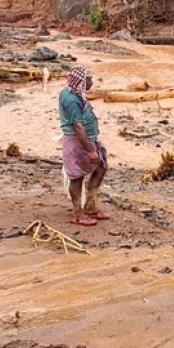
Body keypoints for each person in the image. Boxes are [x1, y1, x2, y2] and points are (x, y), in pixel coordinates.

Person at [60, 66, 109, 227]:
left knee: (101, 167)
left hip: (89, 139)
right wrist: (89, 150)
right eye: (89, 79)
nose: (91, 82)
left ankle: (90, 205)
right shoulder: (71, 100)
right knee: (77, 176)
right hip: (77, 142)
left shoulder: (75, 95)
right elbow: (78, 126)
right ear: (81, 81)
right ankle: (78, 213)